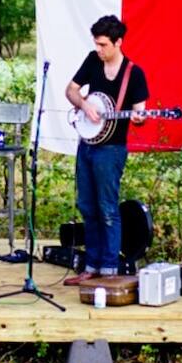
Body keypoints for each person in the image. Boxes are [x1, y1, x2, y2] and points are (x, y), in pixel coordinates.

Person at [62, 15, 148, 285]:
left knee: (107, 208)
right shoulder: (92, 61)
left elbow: (140, 112)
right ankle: (92, 264)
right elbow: (71, 90)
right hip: (87, 145)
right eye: (96, 44)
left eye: (103, 45)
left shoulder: (133, 74)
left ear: (118, 42)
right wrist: (85, 106)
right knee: (86, 206)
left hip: (111, 149)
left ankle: (109, 268)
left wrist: (139, 118)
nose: (98, 50)